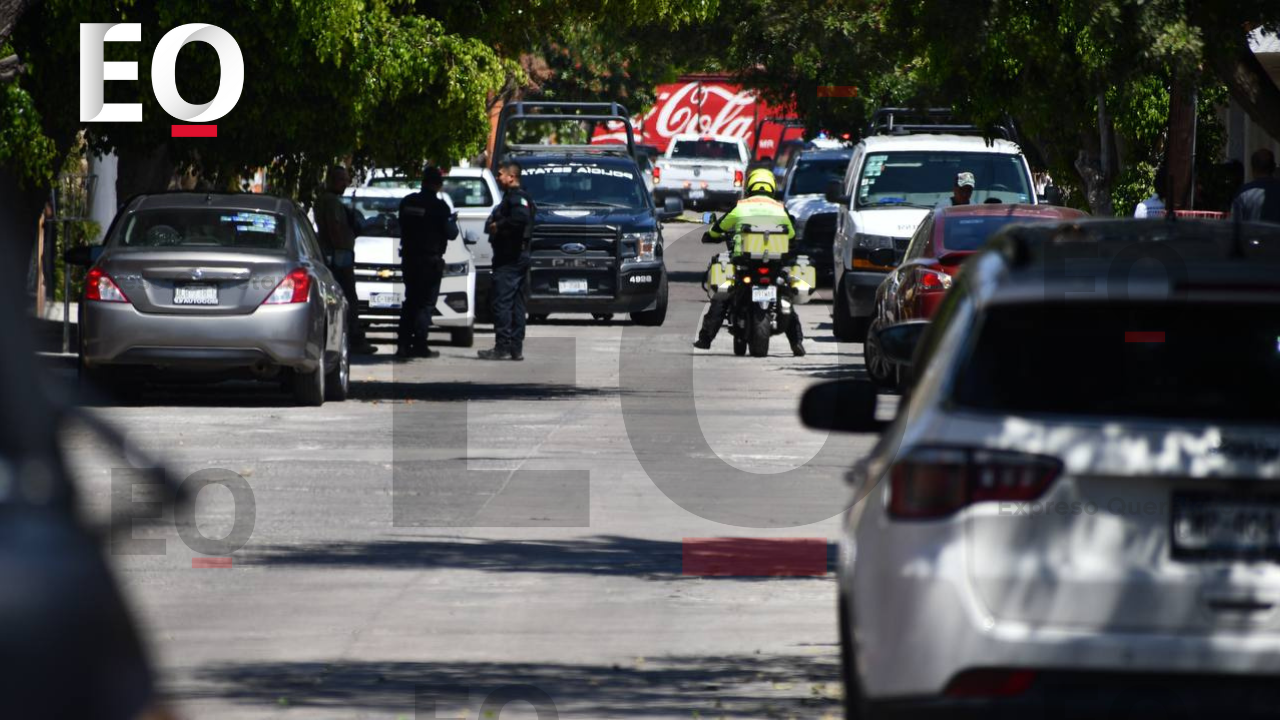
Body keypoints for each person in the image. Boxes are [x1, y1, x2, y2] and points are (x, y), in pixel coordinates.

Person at [693, 167, 806, 356]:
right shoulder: (779, 208)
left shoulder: (741, 207)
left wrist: (711, 235)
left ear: (750, 186)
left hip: (744, 264)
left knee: (723, 297)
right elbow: (792, 235)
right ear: (771, 186)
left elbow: (719, 228)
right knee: (785, 297)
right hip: (774, 265)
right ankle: (797, 343)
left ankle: (706, 339)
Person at [315, 165, 378, 354]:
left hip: (336, 255)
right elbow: (335, 229)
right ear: (332, 180)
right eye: (342, 179)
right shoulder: (331, 202)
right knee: (348, 298)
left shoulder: (328, 200)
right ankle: (355, 339)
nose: (345, 183)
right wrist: (339, 251)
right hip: (338, 257)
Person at [478, 160, 535, 361]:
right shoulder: (515, 198)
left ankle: (503, 347)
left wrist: (498, 226)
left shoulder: (517, 199)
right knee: (517, 304)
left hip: (510, 259)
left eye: (500, 174)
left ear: (511, 177)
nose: (497, 177)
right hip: (516, 257)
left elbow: (521, 219)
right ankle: (515, 348)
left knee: (502, 303)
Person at [396, 167, 453, 359]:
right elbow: (451, 233)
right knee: (426, 304)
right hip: (430, 261)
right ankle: (420, 344)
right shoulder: (440, 208)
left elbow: (402, 224)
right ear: (438, 185)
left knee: (410, 300)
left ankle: (403, 344)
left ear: (422, 182)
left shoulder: (408, 202)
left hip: (410, 259)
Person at [1230, 148, 1280, 223]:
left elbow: (1234, 225)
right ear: (1273, 167)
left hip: (1251, 234)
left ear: (1253, 169)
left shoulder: (1243, 193)